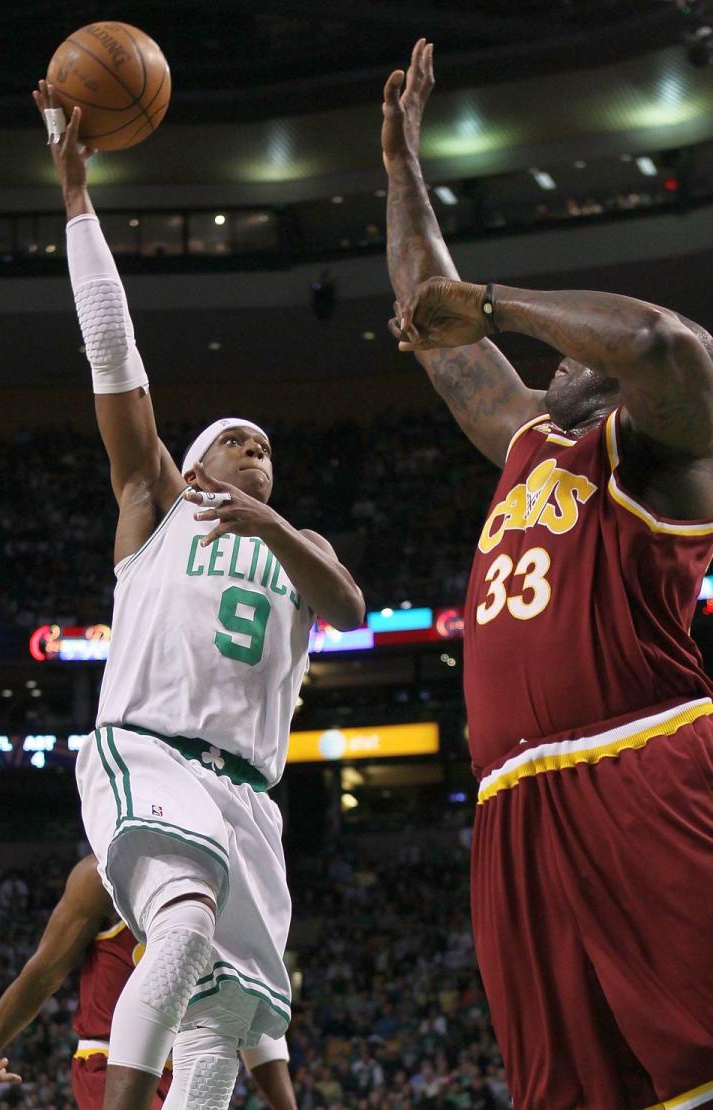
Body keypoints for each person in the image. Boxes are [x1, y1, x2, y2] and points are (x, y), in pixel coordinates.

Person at [382, 39, 713, 1110]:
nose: (559, 361)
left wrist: (497, 302)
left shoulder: (668, 450)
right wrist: (401, 176)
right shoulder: (529, 440)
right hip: (515, 806)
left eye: (580, 353)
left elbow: (660, 342)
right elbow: (439, 329)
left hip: (644, 760)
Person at [22, 82, 364, 1110]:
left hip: (251, 795)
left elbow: (347, 608)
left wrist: (275, 529)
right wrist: (76, 194)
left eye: (268, 447)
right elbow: (113, 353)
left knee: (229, 1023)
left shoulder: (297, 548)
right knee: (178, 922)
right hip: (152, 749)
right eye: (236, 440)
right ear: (196, 461)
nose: (258, 450)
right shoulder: (154, 504)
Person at [0, 855, 297, 1109]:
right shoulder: (103, 874)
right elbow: (43, 974)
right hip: (112, 1065)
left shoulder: (235, 874)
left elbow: (245, 1000)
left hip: (193, 1062)